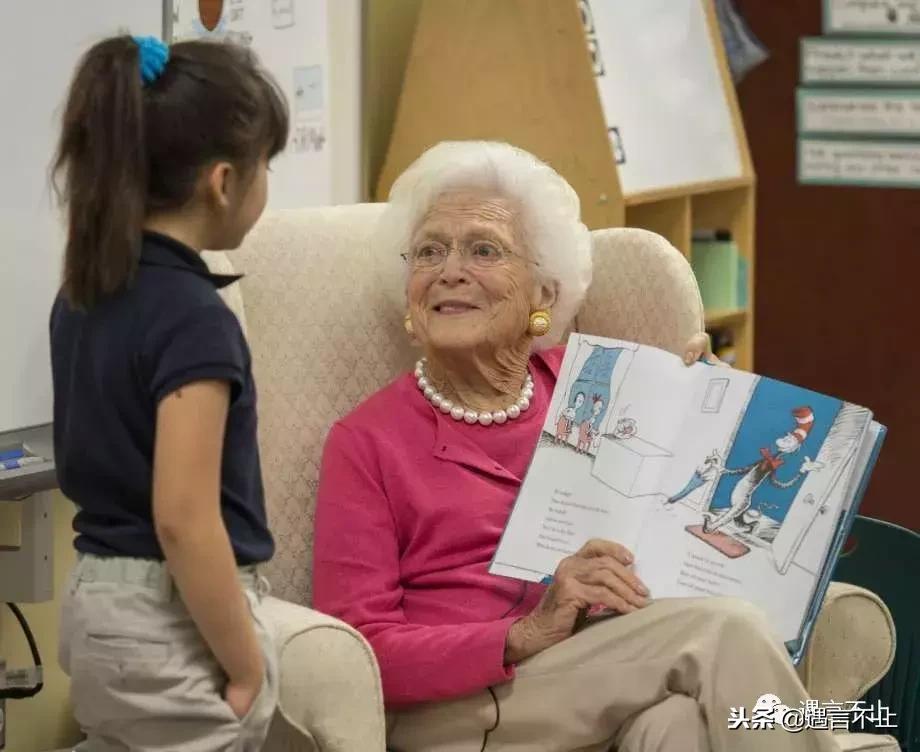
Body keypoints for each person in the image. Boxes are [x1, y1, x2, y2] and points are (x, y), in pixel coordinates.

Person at [313, 141, 844, 752]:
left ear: (543, 295)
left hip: (604, 675)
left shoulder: (599, 386)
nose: (449, 269)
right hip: (468, 706)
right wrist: (522, 633)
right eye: (430, 250)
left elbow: (685, 502)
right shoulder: (366, 441)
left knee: (679, 729)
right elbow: (354, 647)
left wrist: (707, 407)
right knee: (726, 630)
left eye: (483, 249)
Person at [50, 34, 288, 751]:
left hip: (95, 605)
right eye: (265, 166)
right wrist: (245, 661)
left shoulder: (84, 293)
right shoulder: (195, 319)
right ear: (222, 181)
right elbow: (184, 518)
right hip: (169, 620)